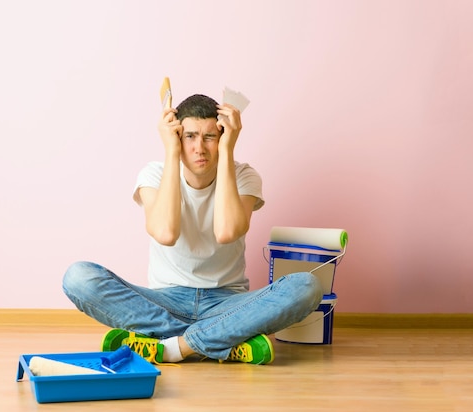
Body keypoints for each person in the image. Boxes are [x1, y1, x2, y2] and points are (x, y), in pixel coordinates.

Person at [62, 93, 322, 365]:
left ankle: (176, 346)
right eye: (190, 136)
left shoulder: (244, 175)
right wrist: (171, 153)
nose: (200, 148)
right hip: (164, 303)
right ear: (176, 137)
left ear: (222, 137)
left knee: (306, 286)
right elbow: (166, 233)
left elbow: (226, 232)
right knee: (79, 277)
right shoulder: (154, 174)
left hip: (226, 303)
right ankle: (222, 341)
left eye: (210, 137)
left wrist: (228, 150)